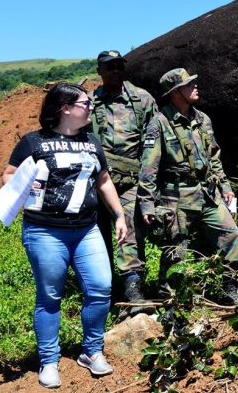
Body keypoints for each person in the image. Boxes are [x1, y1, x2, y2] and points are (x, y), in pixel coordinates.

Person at [2, 82, 125, 388]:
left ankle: (92, 351)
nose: (91, 107)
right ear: (65, 108)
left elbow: (104, 180)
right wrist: (24, 184)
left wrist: (119, 215)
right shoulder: (34, 142)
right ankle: (48, 359)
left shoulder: (91, 142)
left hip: (86, 229)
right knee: (50, 297)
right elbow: (7, 175)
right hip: (45, 231)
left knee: (100, 288)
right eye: (86, 103)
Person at [138, 68, 238, 305]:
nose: (195, 87)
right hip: (176, 198)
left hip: (207, 193)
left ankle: (231, 288)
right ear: (176, 92)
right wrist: (146, 203)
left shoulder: (202, 119)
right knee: (176, 252)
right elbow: (149, 167)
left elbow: (213, 157)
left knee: (231, 235)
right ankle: (171, 302)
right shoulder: (160, 123)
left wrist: (225, 187)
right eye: (189, 85)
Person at [89, 50, 157, 306]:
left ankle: (132, 285)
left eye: (119, 66)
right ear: (100, 71)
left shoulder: (142, 99)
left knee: (127, 227)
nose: (115, 71)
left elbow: (153, 142)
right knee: (95, 234)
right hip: (96, 182)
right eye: (110, 67)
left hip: (130, 181)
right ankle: (100, 287)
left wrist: (149, 180)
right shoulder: (89, 102)